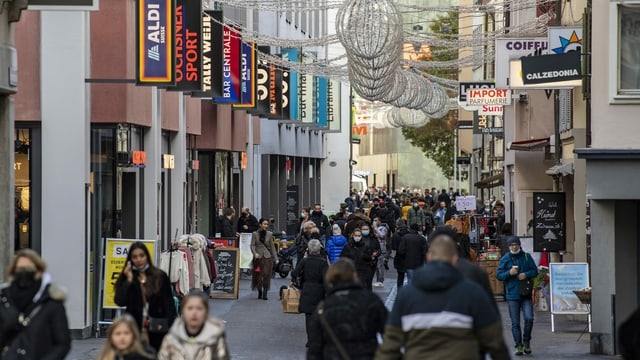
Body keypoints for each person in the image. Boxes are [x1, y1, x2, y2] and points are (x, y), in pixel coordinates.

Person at [376, 235, 510, 360]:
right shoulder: (472, 293)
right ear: (454, 260)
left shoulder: (406, 295)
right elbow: (494, 341)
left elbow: (390, 345)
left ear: (429, 257)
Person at [307, 258, 387, 360]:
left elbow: (314, 350)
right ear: (354, 275)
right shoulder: (371, 300)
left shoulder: (323, 308)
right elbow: (390, 333)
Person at [0, 249, 71, 360]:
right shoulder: (4, 300)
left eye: (28, 269)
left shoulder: (51, 303)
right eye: (19, 269)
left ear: (39, 271)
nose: (23, 272)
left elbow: (62, 344)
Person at [115, 242, 178, 351]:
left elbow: (168, 303)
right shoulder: (129, 277)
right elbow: (120, 301)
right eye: (134, 257)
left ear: (147, 256)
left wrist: (173, 327)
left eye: (142, 256)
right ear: (130, 260)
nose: (139, 259)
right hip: (134, 326)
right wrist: (128, 280)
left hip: (158, 326)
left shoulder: (159, 276)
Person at [496, 236, 539, 356]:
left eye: (516, 244)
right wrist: (509, 273)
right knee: (515, 323)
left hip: (525, 294)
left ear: (519, 245)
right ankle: (518, 345)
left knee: (529, 318)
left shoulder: (526, 257)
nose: (514, 247)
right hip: (512, 295)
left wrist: (526, 274)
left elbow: (534, 271)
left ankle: (526, 341)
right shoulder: (505, 259)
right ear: (509, 246)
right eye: (511, 245)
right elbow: (499, 275)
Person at [158, 290, 230, 359]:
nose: (194, 313)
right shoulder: (171, 339)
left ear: (206, 311)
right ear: (183, 311)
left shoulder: (215, 339)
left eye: (199, 308)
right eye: (190, 308)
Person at [290, 239, 329, 348]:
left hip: (307, 290)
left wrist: (294, 280)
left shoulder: (305, 261)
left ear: (308, 249)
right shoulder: (323, 262)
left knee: (309, 318)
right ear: (319, 249)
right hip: (319, 291)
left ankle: (310, 339)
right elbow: (326, 279)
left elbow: (295, 272)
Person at [250, 218, 279, 300]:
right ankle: (260, 291)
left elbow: (272, 247)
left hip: (267, 257)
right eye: (264, 224)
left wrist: (276, 258)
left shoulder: (270, 234)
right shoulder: (255, 234)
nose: (266, 226)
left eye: (267, 224)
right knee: (258, 276)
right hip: (258, 258)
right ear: (260, 224)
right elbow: (252, 245)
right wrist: (254, 253)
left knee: (266, 275)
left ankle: (265, 292)